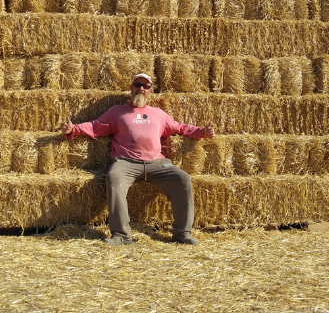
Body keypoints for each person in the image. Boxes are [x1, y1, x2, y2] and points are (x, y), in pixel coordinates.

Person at [60, 73, 215, 246]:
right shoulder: (117, 112)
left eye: (146, 86)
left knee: (183, 179)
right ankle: (121, 235)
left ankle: (182, 233)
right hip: (125, 162)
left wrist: (202, 132)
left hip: (157, 163)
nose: (141, 89)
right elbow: (96, 127)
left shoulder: (158, 114)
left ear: (150, 91)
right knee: (114, 178)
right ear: (131, 88)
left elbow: (180, 128)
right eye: (137, 85)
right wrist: (73, 129)